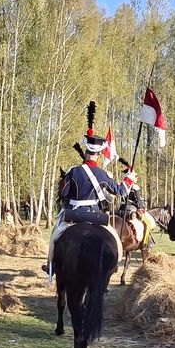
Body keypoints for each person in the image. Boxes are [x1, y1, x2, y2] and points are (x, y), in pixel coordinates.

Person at [42, 101, 129, 273]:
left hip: (72, 215)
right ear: (98, 154)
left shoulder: (73, 172)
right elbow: (121, 191)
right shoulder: (103, 174)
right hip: (97, 217)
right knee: (117, 243)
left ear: (86, 150)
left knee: (54, 236)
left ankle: (51, 266)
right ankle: (113, 266)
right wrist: (129, 179)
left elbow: (64, 193)